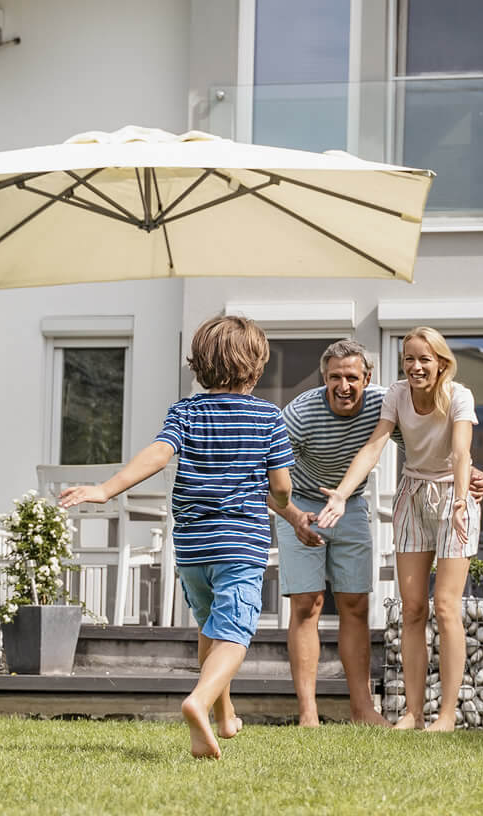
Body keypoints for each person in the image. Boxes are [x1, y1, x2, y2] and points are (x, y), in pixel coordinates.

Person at [58, 314, 319, 759]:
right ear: (256, 365)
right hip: (240, 543)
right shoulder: (268, 417)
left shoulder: (185, 411)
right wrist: (286, 499)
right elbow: (279, 488)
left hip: (194, 547)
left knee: (210, 626)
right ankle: (198, 701)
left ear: (199, 364)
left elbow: (159, 454)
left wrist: (105, 488)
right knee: (235, 634)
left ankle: (224, 714)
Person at [275, 339, 483, 727]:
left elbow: (430, 444)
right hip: (301, 501)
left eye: (352, 377)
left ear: (366, 377)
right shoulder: (300, 414)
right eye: (335, 377)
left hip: (352, 504)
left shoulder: (384, 400)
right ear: (324, 378)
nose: (344, 386)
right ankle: (308, 714)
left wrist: (466, 477)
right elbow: (264, 476)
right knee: (307, 603)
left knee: (355, 604)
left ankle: (362, 710)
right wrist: (293, 516)